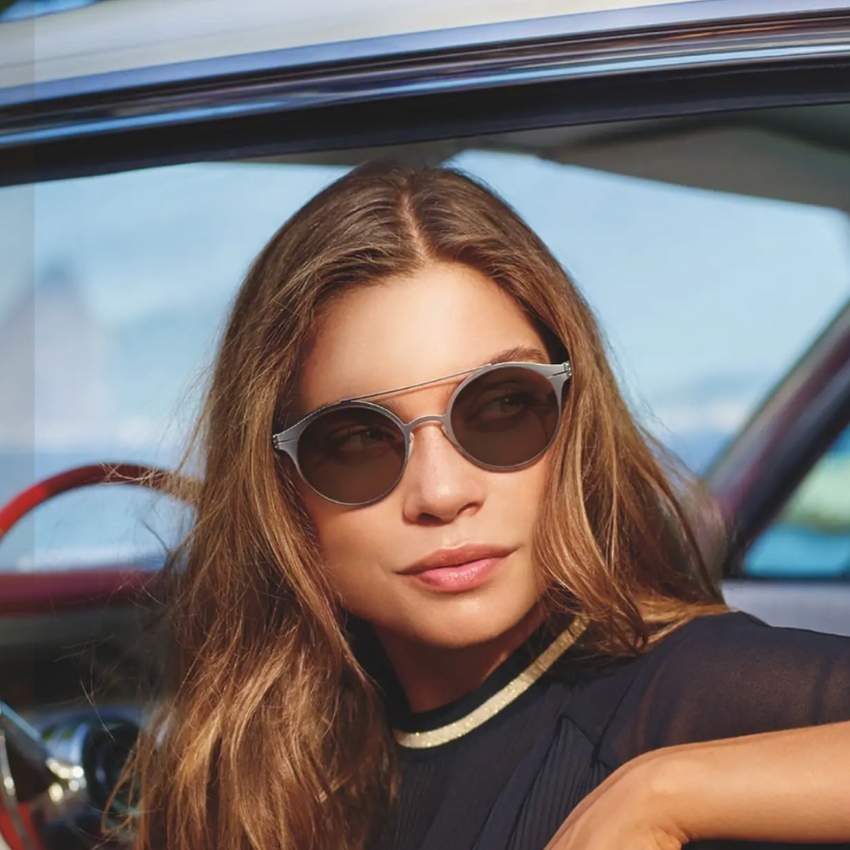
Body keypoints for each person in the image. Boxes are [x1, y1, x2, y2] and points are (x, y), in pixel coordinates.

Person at [125, 162, 850, 850]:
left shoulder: (686, 692)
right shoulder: (270, 773)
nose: (442, 493)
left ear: (573, 421)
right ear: (279, 486)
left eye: (502, 408)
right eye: (356, 442)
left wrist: (666, 792)